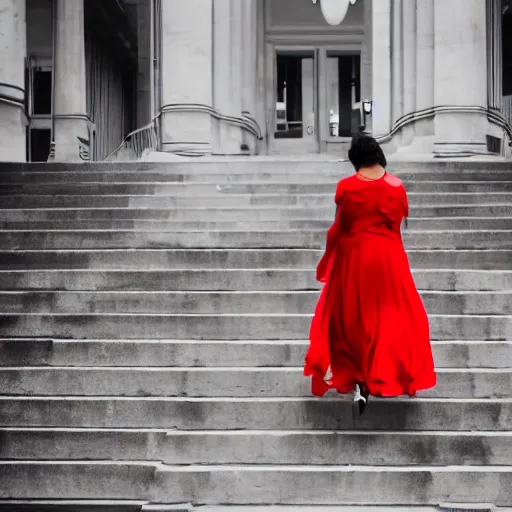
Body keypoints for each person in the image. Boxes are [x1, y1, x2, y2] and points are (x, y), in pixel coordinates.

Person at [304, 133, 436, 417]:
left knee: (352, 321)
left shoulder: (346, 188)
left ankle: (360, 382)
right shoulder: (396, 187)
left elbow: (338, 229)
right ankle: (388, 376)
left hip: (355, 259)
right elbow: (396, 231)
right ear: (378, 154)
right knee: (392, 318)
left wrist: (326, 261)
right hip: (388, 259)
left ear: (355, 159)